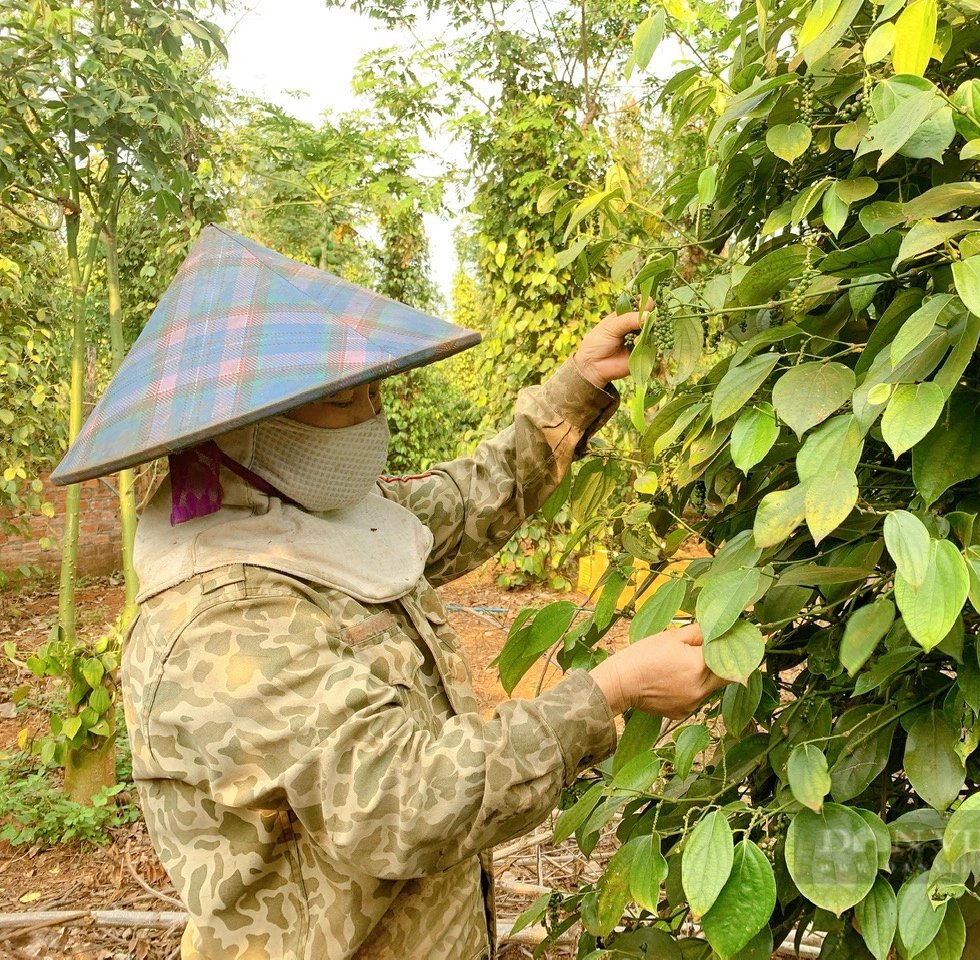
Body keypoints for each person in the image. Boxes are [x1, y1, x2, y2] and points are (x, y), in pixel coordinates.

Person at [50, 225, 725, 960]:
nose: (372, 419)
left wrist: (579, 386)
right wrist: (610, 692)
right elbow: (403, 801)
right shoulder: (227, 619)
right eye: (343, 403)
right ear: (242, 430)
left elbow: (463, 503)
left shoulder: (306, 514)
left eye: (375, 392)